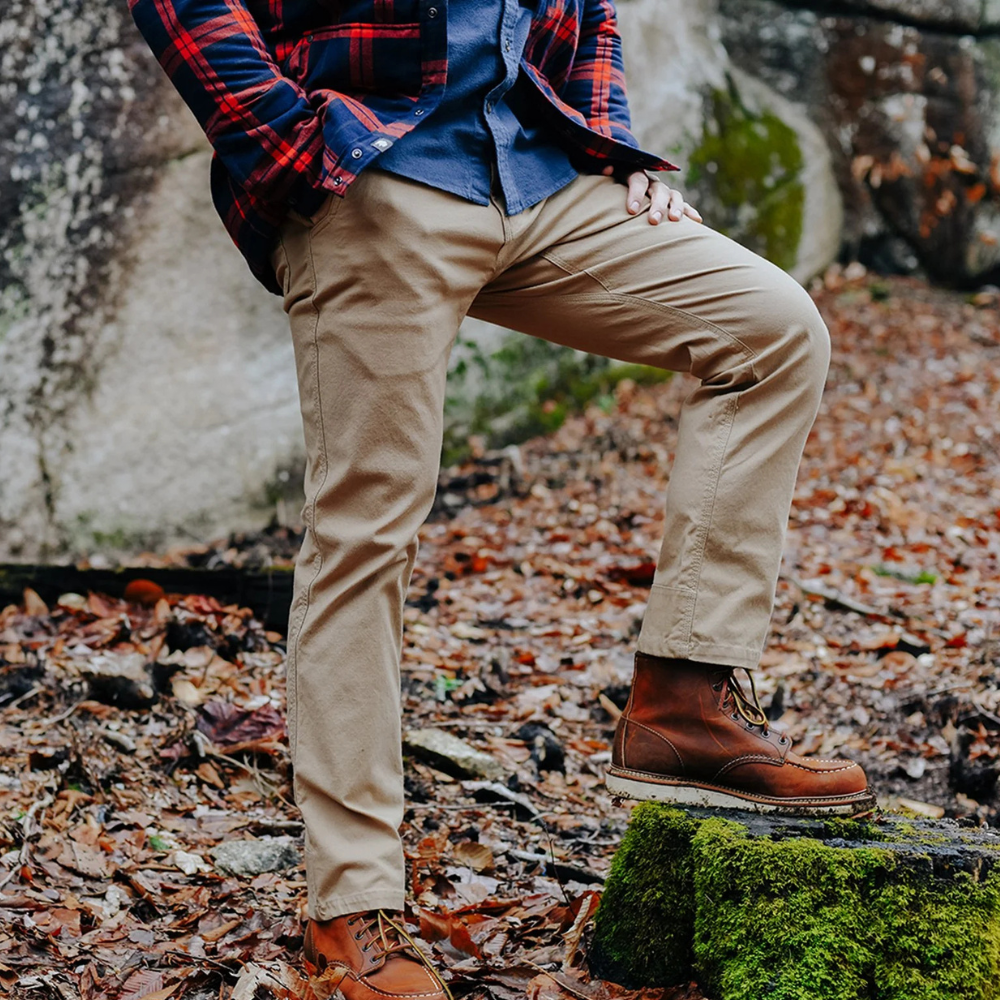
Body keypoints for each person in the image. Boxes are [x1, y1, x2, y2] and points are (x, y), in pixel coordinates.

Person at [129, 0, 875, 995]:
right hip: (371, 175)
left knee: (771, 328)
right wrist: (287, 140)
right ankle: (349, 914)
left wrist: (609, 145)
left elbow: (588, 12)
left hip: (539, 174)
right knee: (366, 531)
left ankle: (684, 702)